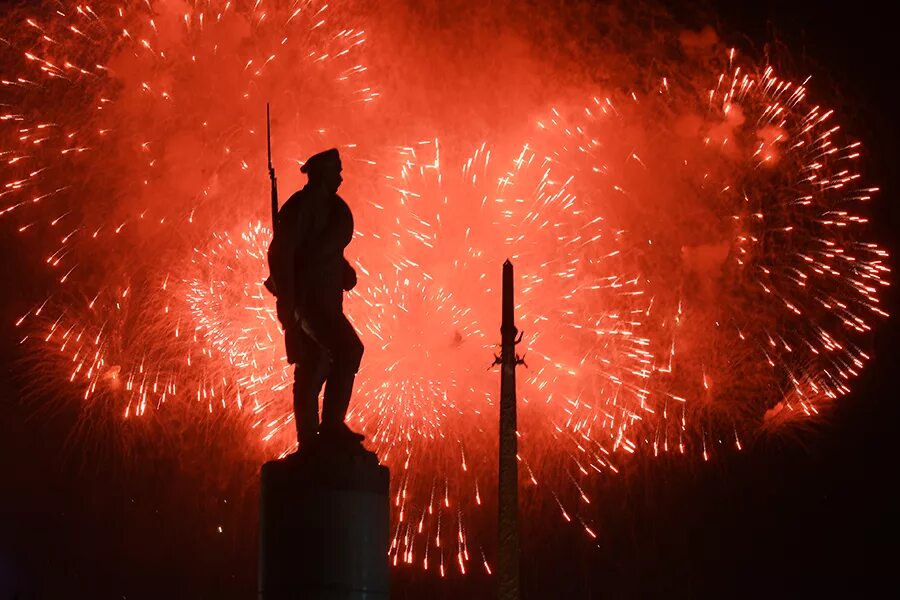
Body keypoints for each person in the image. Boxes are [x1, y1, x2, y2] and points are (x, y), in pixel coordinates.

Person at [267, 148, 365, 447]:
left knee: (315, 365)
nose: (340, 177)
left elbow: (323, 251)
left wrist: (343, 269)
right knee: (347, 350)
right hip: (309, 302)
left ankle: (310, 441)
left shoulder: (326, 208)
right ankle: (331, 427)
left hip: (323, 299)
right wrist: (288, 307)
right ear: (322, 174)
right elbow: (282, 255)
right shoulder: (302, 207)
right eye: (336, 171)